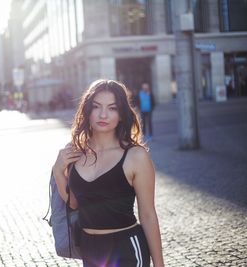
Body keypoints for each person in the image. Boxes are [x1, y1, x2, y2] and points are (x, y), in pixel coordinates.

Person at [53, 79, 164, 267]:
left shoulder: (135, 156)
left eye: (112, 108)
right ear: (88, 111)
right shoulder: (76, 152)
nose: (103, 114)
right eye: (96, 107)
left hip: (127, 249)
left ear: (121, 114)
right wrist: (57, 170)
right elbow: (73, 202)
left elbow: (147, 215)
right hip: (90, 251)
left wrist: (159, 265)